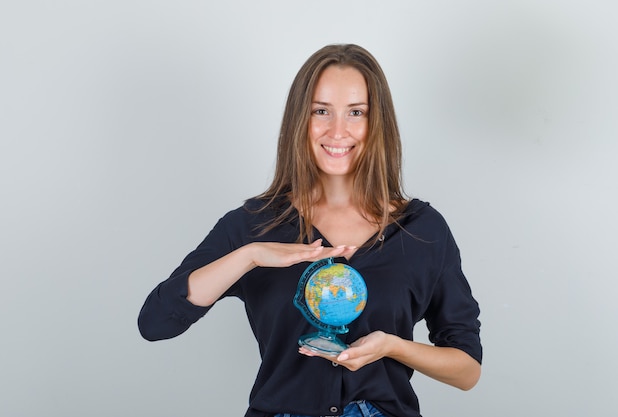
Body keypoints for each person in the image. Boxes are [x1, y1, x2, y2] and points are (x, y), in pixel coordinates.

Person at [138, 43, 482, 417]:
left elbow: (466, 370)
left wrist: (391, 347)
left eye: (356, 112)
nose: (338, 130)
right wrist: (249, 255)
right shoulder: (254, 224)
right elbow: (156, 323)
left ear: (376, 122)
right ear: (300, 119)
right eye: (321, 111)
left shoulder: (422, 230)